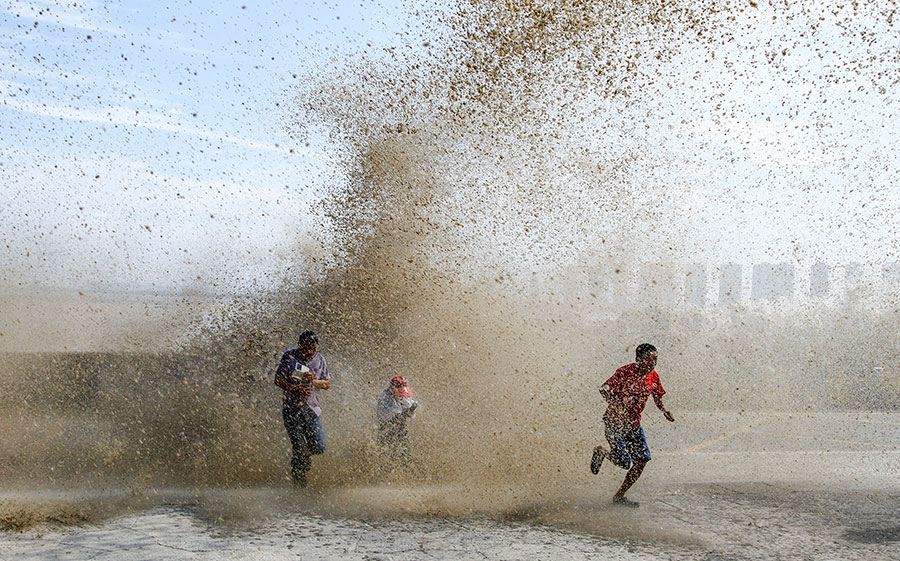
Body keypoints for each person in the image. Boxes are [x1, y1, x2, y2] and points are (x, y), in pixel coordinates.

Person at [590, 343, 675, 507]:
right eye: (649, 360)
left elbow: (658, 395)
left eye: (655, 360)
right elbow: (604, 389)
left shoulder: (653, 376)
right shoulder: (625, 372)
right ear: (638, 359)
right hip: (615, 423)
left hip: (634, 425)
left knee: (642, 460)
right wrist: (616, 405)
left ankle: (619, 496)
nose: (653, 364)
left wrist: (664, 410)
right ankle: (601, 452)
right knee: (623, 461)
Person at [274, 330, 331, 486]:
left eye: (313, 347)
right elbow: (278, 380)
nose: (310, 351)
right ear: (299, 346)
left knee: (319, 446)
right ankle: (299, 485)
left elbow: (327, 384)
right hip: (291, 409)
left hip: (312, 410)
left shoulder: (320, 359)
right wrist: (295, 387)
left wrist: (314, 382)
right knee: (299, 447)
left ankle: (302, 458)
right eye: (306, 347)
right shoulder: (290, 356)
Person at [376, 376, 419, 465]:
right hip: (387, 430)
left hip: (401, 430)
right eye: (399, 393)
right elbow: (384, 417)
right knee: (388, 457)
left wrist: (411, 411)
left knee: (406, 457)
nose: (401, 396)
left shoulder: (404, 396)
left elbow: (411, 413)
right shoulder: (383, 398)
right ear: (392, 389)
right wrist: (400, 412)